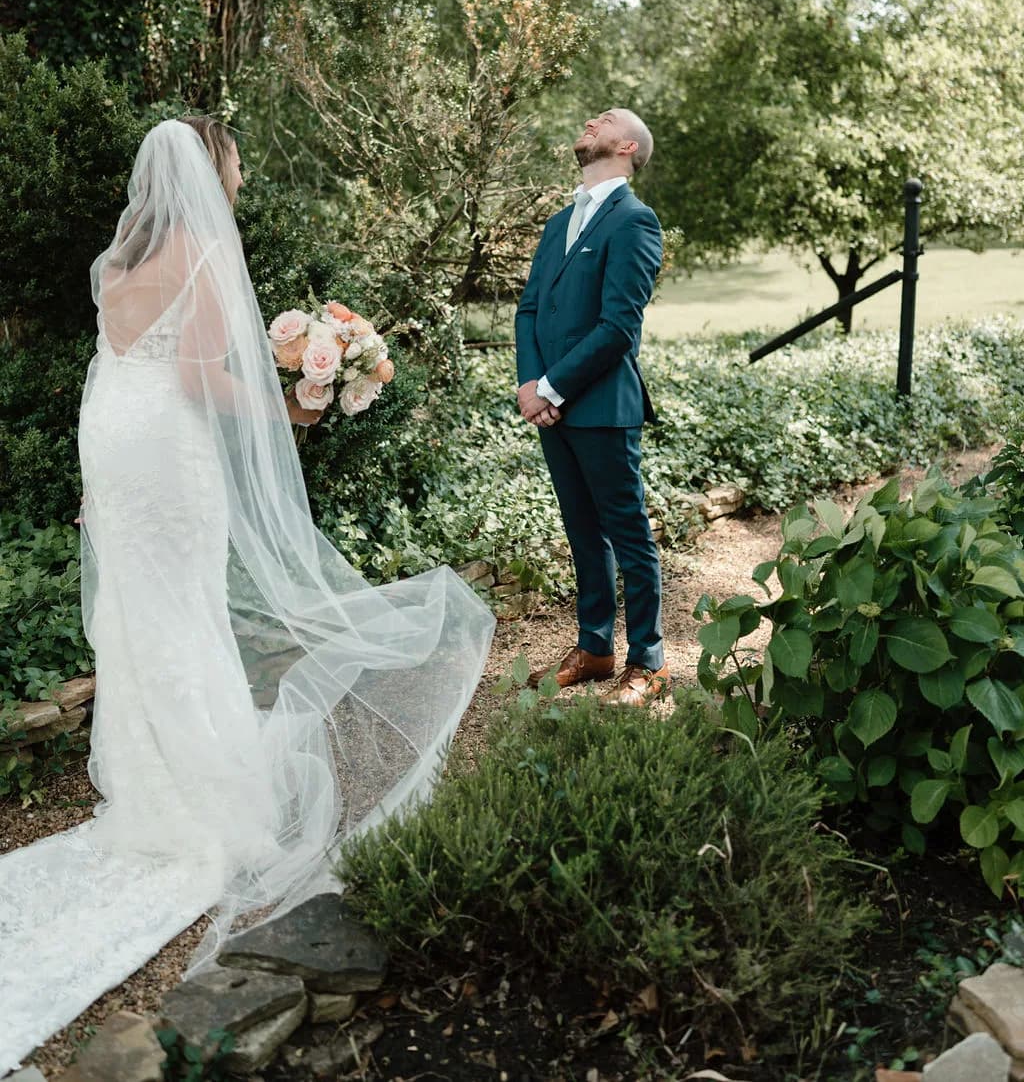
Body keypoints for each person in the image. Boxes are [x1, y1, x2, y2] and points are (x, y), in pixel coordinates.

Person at [0, 118, 494, 1075]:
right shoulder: (197, 247)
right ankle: (202, 797)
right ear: (209, 172)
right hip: (167, 448)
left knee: (144, 616)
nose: (238, 180)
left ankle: (150, 784)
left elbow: (117, 365)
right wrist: (299, 397)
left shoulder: (116, 261)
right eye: (235, 166)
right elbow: (202, 376)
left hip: (111, 435)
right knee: (185, 606)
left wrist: (97, 484)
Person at [515, 108, 667, 707]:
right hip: (550, 407)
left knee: (627, 534)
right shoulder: (559, 223)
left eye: (604, 120)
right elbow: (529, 309)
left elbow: (617, 329)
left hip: (603, 406)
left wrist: (551, 388)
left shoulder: (635, 221)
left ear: (626, 146)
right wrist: (531, 386)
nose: (589, 121)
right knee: (582, 532)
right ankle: (596, 646)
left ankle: (649, 661)